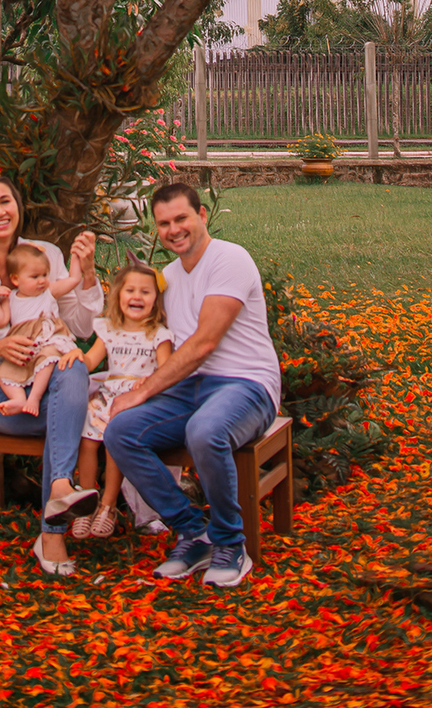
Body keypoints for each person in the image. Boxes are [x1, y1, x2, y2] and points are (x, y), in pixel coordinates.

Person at [103, 181, 281, 589]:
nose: (173, 229)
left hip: (247, 384)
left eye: (181, 218)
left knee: (205, 432)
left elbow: (204, 343)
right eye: (164, 223)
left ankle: (230, 543)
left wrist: (143, 389)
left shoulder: (229, 259)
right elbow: (140, 328)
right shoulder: (166, 276)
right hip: (194, 386)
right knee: (121, 432)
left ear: (202, 216)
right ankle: (192, 531)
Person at [0, 171, 102, 577]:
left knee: (73, 363)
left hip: (43, 381)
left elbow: (79, 327)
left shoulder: (44, 255)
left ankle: (56, 505)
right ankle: (53, 532)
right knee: (75, 416)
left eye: (5, 201)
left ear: (18, 206)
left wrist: (90, 273)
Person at [71, 258, 173, 540]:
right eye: (130, 291)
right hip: (107, 394)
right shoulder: (109, 330)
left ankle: (108, 505)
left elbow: (167, 370)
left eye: (145, 291)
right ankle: (85, 502)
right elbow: (91, 360)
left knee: (115, 439)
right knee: (88, 438)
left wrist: (148, 382)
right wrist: (73, 356)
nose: (137, 297)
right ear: (118, 296)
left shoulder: (159, 335)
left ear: (156, 299)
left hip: (137, 398)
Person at [0, 241, 85, 416]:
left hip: (48, 338)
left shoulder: (49, 291)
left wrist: (77, 257)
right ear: (16, 279)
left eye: (44, 275)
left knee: (49, 358)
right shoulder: (11, 299)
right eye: (34, 277)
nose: (42, 281)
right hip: (24, 346)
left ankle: (35, 397)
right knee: (3, 373)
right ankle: (18, 399)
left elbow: (74, 280)